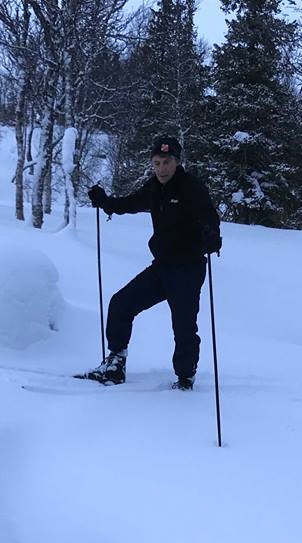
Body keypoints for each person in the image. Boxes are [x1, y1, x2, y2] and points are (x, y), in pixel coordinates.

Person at [80, 135, 221, 391]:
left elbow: (209, 216)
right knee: (121, 303)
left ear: (176, 162)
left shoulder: (191, 188)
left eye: (166, 162)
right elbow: (131, 203)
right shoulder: (154, 187)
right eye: (156, 163)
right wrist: (106, 203)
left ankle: (185, 378)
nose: (161, 168)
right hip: (162, 267)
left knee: (184, 326)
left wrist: (211, 235)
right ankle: (115, 364)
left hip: (188, 269)